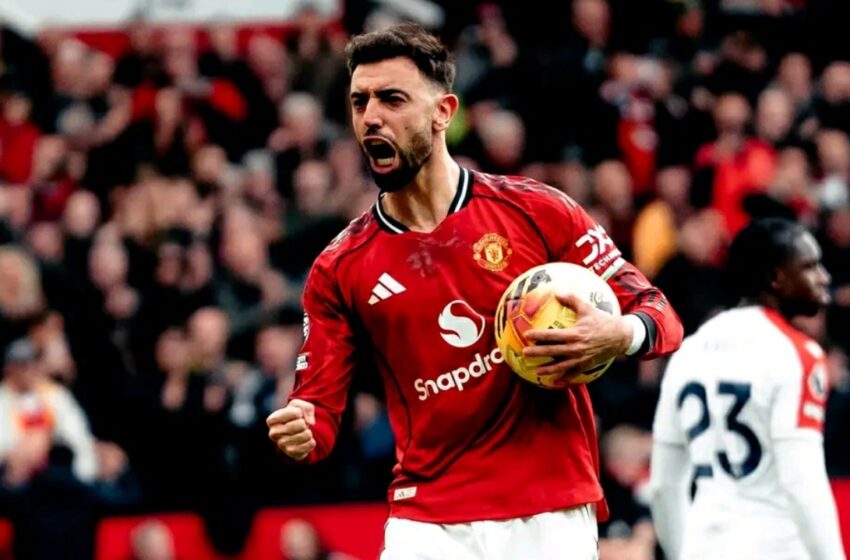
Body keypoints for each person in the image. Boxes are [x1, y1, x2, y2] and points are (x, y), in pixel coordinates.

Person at [267, 23, 683, 560]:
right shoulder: (339, 267)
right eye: (359, 101)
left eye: (392, 99)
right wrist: (302, 428)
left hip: (547, 505)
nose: (370, 117)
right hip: (427, 516)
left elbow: (658, 313)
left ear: (443, 112)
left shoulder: (535, 211)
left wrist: (619, 334)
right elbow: (317, 413)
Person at [649, 218, 846, 560]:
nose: (824, 278)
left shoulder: (689, 352)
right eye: (810, 266)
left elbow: (664, 487)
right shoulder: (798, 353)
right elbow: (802, 482)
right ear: (776, 277)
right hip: (777, 548)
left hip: (704, 548)